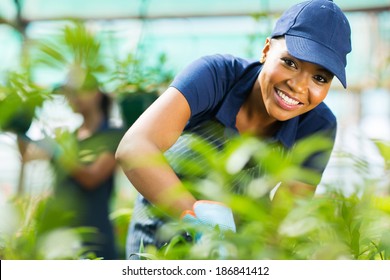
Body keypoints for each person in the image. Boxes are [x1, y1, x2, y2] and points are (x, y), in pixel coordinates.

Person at [115, 0, 352, 259]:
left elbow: (284, 218)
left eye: (320, 78)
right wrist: (198, 221)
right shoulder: (215, 77)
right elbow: (134, 148)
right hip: (157, 246)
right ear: (266, 50)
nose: (299, 86)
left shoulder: (317, 126)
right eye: (290, 62)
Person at [18, 73, 124, 259]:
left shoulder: (112, 135)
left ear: (95, 93)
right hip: (61, 234)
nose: (72, 98)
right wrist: (19, 125)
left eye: (77, 92)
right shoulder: (70, 136)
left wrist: (59, 152)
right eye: (69, 94)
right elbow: (27, 155)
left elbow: (92, 177)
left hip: (94, 232)